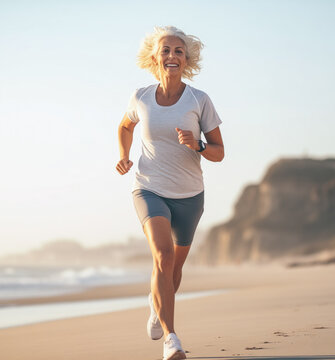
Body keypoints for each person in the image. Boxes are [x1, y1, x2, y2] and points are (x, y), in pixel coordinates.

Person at [116, 26, 224, 360]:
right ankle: (170, 338)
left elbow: (219, 151)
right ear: (154, 57)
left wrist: (198, 144)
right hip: (149, 187)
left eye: (178, 51)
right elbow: (125, 125)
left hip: (190, 195)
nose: (172, 56)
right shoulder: (141, 96)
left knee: (173, 271)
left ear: (186, 59)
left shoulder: (199, 100)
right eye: (166, 50)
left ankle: (156, 304)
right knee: (162, 256)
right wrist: (123, 155)